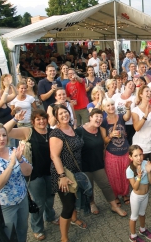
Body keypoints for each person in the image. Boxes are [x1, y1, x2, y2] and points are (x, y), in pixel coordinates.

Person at [4, 110, 59, 241]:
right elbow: (4, 131)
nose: (41, 121)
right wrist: (15, 120)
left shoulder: (51, 132)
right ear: (33, 121)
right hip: (34, 174)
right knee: (39, 202)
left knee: (50, 198)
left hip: (50, 172)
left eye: (43, 119)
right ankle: (37, 228)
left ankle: (50, 216)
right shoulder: (27, 132)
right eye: (38, 119)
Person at [75, 109, 127, 217]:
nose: (99, 119)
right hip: (85, 165)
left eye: (100, 117)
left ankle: (114, 206)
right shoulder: (80, 131)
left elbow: (105, 141)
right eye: (96, 116)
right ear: (90, 117)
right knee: (89, 187)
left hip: (98, 163)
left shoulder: (99, 130)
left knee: (106, 185)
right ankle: (92, 203)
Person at [0, 124, 32, 242]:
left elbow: (28, 172)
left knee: (23, 229)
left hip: (22, 199)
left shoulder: (13, 150)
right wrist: (11, 164)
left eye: (4, 135)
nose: (2, 138)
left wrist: (20, 159)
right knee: (9, 235)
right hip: (5, 205)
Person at [49, 104, 87, 242]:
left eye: (66, 112)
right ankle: (64, 238)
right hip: (64, 174)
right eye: (61, 114)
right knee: (68, 205)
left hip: (75, 170)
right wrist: (62, 177)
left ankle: (74, 219)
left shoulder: (71, 127)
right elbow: (54, 156)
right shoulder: (56, 133)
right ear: (56, 117)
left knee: (75, 197)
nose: (64, 115)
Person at [132, 85, 151, 197]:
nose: (149, 93)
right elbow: (136, 128)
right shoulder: (135, 110)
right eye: (146, 91)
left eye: (150, 91)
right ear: (141, 94)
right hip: (140, 145)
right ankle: (138, 184)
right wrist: (145, 115)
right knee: (139, 165)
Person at [101, 98, 132, 206]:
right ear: (104, 108)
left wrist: (128, 107)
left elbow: (127, 117)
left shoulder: (120, 117)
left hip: (125, 150)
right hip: (111, 153)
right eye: (108, 105)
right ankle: (115, 196)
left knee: (125, 174)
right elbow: (104, 140)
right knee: (113, 176)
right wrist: (111, 135)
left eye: (112, 104)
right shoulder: (103, 122)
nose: (111, 107)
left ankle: (124, 194)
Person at [126, 145, 151, 242]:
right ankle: (133, 236)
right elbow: (135, 187)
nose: (139, 158)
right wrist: (138, 176)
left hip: (145, 195)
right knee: (134, 217)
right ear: (130, 157)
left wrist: (149, 172)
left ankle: (142, 230)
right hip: (136, 197)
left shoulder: (146, 163)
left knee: (142, 213)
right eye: (135, 156)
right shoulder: (129, 170)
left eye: (140, 154)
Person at [112, 80, 136, 145]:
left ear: (134, 89)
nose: (131, 86)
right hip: (118, 124)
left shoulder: (134, 98)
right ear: (125, 85)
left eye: (133, 85)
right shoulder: (116, 96)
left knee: (129, 144)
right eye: (130, 84)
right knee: (118, 143)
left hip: (130, 125)